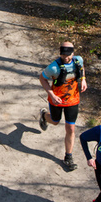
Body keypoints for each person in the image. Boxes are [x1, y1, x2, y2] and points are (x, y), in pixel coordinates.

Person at [38, 42, 87, 171]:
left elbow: (81, 68)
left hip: (73, 100)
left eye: (68, 55)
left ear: (73, 53)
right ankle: (44, 115)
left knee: (70, 128)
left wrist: (83, 80)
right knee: (55, 121)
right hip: (57, 101)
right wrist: (52, 94)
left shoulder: (78, 61)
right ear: (60, 54)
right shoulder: (54, 67)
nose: (66, 58)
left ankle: (68, 157)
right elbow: (42, 78)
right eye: (63, 55)